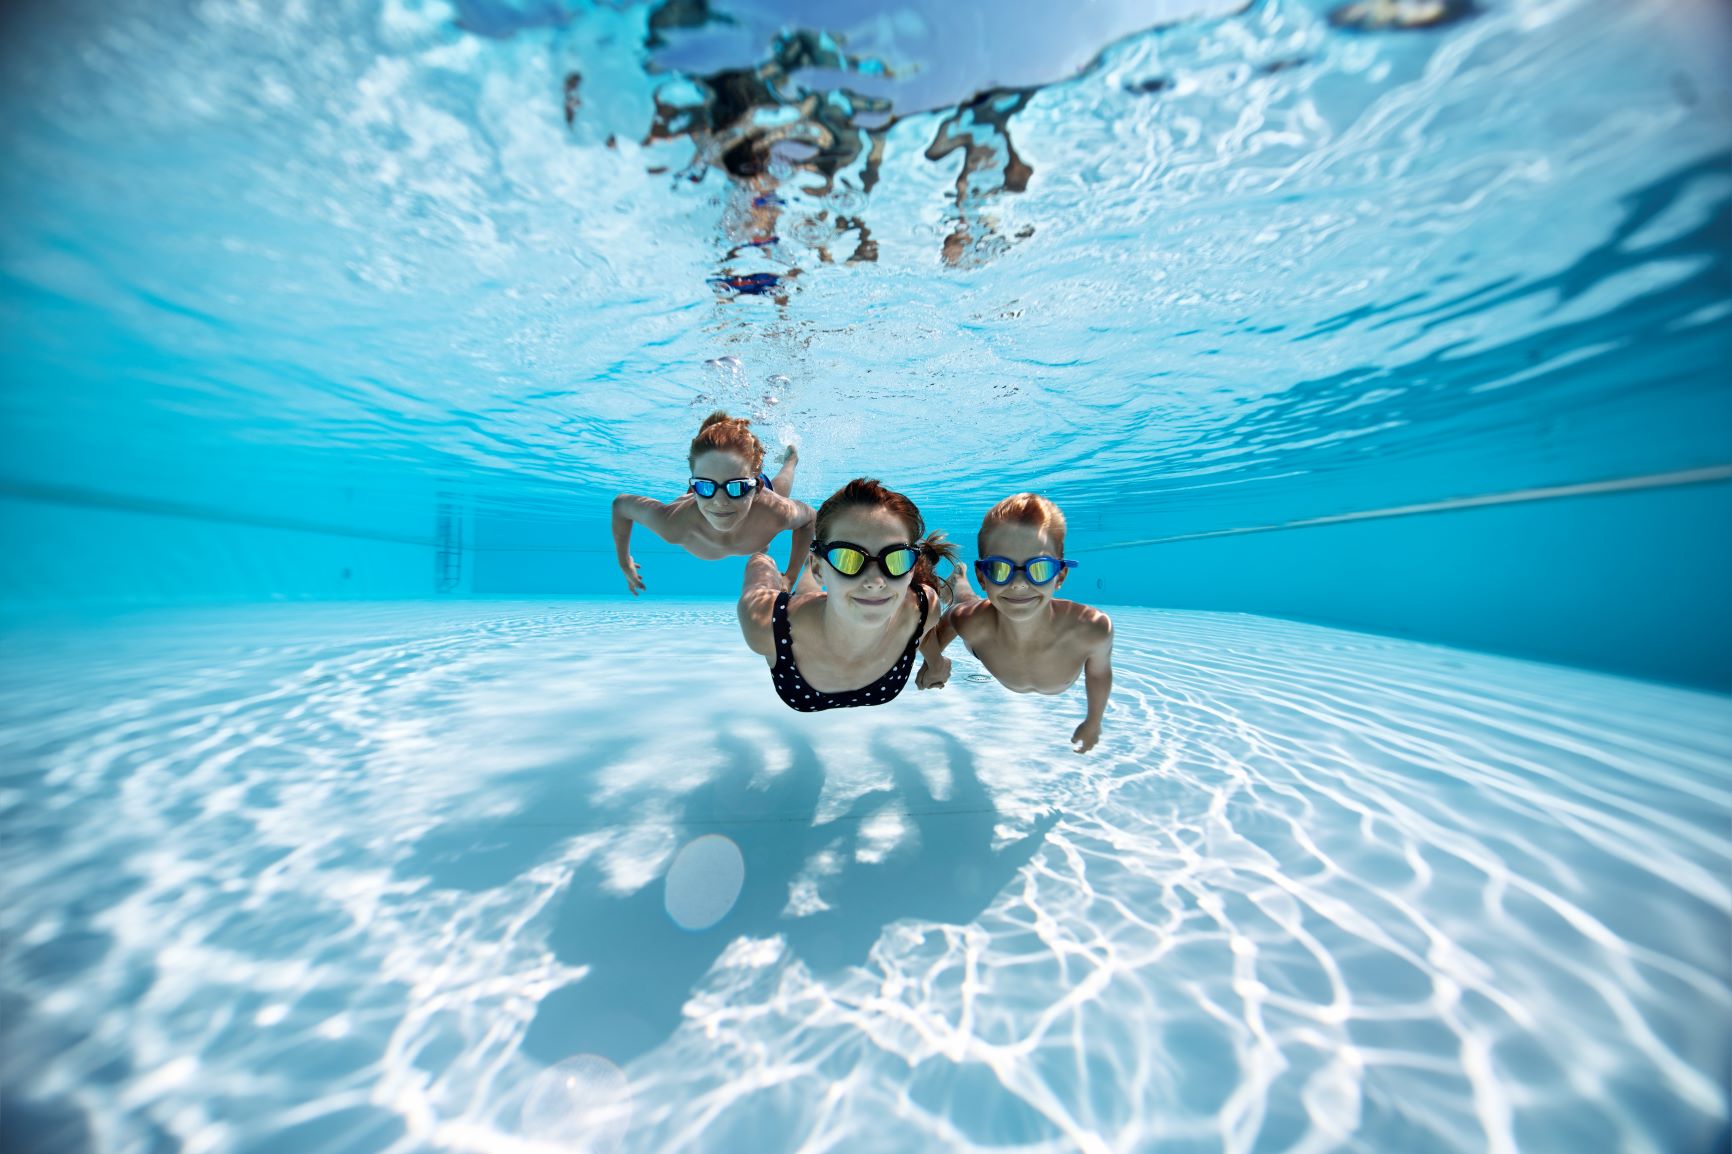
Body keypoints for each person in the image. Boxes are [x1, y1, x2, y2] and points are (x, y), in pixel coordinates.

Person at [916, 493, 1114, 753]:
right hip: (983, 636)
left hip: (986, 616)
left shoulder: (1091, 628)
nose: (1019, 583)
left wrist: (1094, 721)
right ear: (983, 576)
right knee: (965, 602)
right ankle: (961, 580)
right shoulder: (971, 622)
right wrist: (934, 663)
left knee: (973, 602)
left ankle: (962, 580)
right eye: (1000, 569)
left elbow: (1098, 673)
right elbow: (930, 630)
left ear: (1060, 575)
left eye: (1039, 568)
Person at [738, 478, 957, 711]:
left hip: (822, 597)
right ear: (818, 568)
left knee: (813, 593)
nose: (875, 582)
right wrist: (760, 557)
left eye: (896, 559)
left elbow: (921, 633)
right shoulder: (764, 623)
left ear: (911, 568)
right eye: (848, 558)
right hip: (799, 605)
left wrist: (936, 663)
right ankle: (769, 556)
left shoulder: (923, 607)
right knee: (764, 563)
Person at [611, 411, 814, 594]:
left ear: (757, 488)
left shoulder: (774, 511)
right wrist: (624, 562)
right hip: (749, 518)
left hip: (760, 507)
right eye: (705, 487)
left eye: (736, 487)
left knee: (782, 486)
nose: (720, 501)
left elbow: (810, 519)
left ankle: (791, 459)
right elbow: (620, 505)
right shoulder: (672, 523)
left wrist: (790, 577)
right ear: (692, 490)